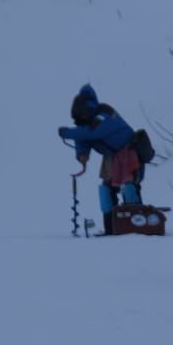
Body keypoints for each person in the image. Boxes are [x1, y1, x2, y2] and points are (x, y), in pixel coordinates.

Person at [58, 84, 141, 235]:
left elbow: (92, 132)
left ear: (87, 109)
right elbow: (83, 137)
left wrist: (68, 133)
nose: (81, 120)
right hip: (111, 156)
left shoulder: (104, 113)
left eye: (82, 116)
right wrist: (82, 154)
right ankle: (112, 227)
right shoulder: (87, 120)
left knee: (128, 186)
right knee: (106, 189)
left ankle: (137, 224)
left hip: (128, 151)